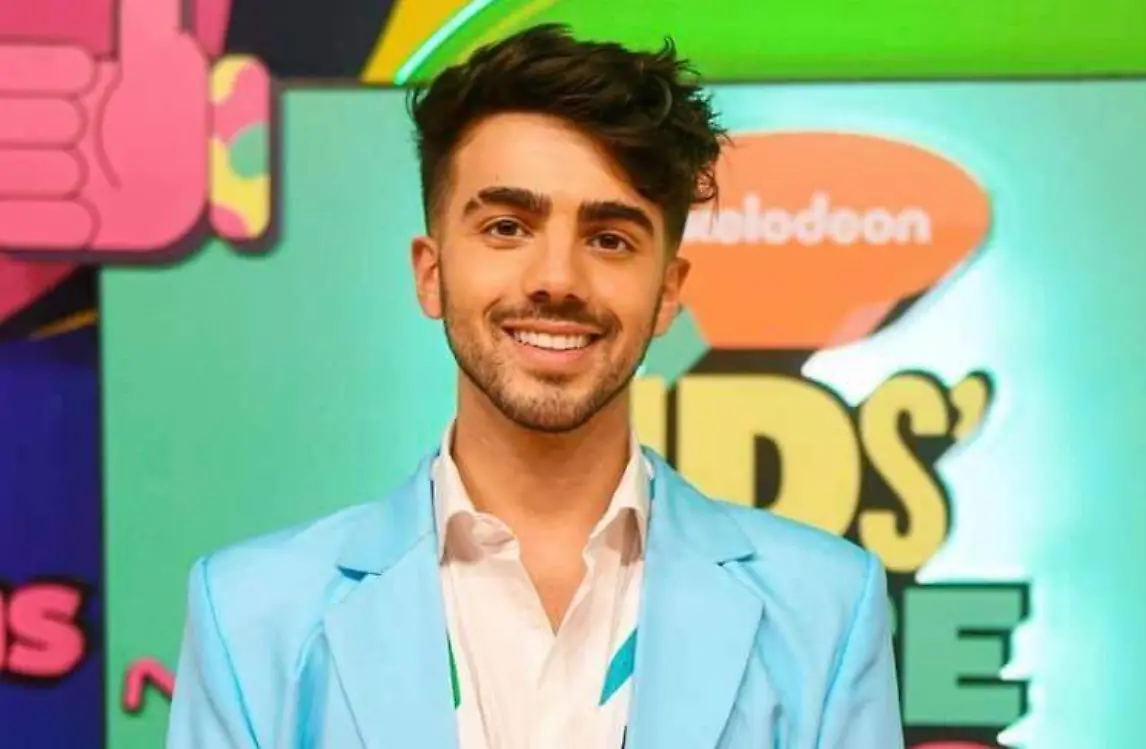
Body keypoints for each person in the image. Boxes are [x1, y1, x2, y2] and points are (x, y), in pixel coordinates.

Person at [165, 23, 903, 749]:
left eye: (609, 239)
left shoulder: (824, 611)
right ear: (430, 272)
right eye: (507, 227)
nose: (556, 279)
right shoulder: (253, 617)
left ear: (668, 292)